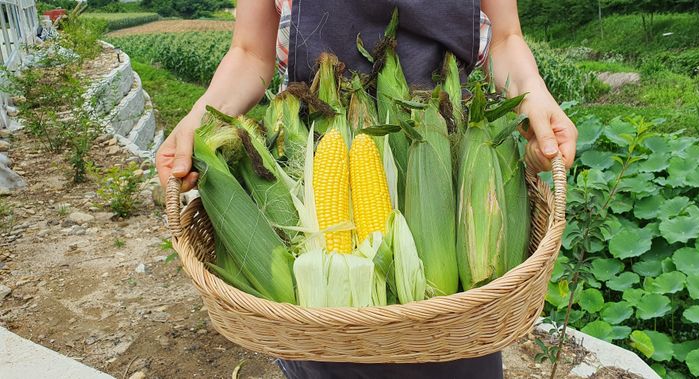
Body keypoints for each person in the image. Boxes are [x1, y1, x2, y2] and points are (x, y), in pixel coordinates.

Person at [155, 1, 577, 378]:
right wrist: (198, 121)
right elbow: (249, 52)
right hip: (320, 155)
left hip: (444, 163)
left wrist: (533, 95)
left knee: (453, 357)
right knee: (329, 362)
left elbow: (505, 39)